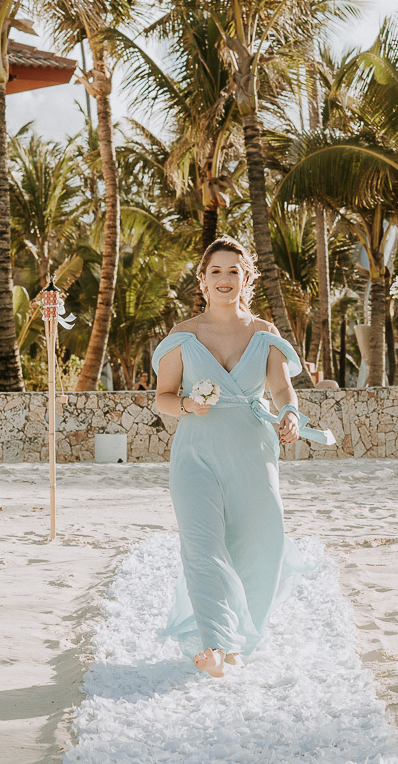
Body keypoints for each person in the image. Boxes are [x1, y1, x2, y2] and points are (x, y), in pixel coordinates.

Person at [152, 237, 334, 678]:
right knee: (202, 546)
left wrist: (289, 413)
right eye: (216, 271)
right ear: (202, 279)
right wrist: (188, 406)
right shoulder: (183, 335)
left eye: (234, 271)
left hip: (253, 452)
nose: (224, 279)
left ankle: (237, 643)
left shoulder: (265, 334)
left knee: (256, 546)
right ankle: (214, 642)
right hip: (195, 455)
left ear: (247, 278)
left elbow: (280, 390)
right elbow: (163, 398)